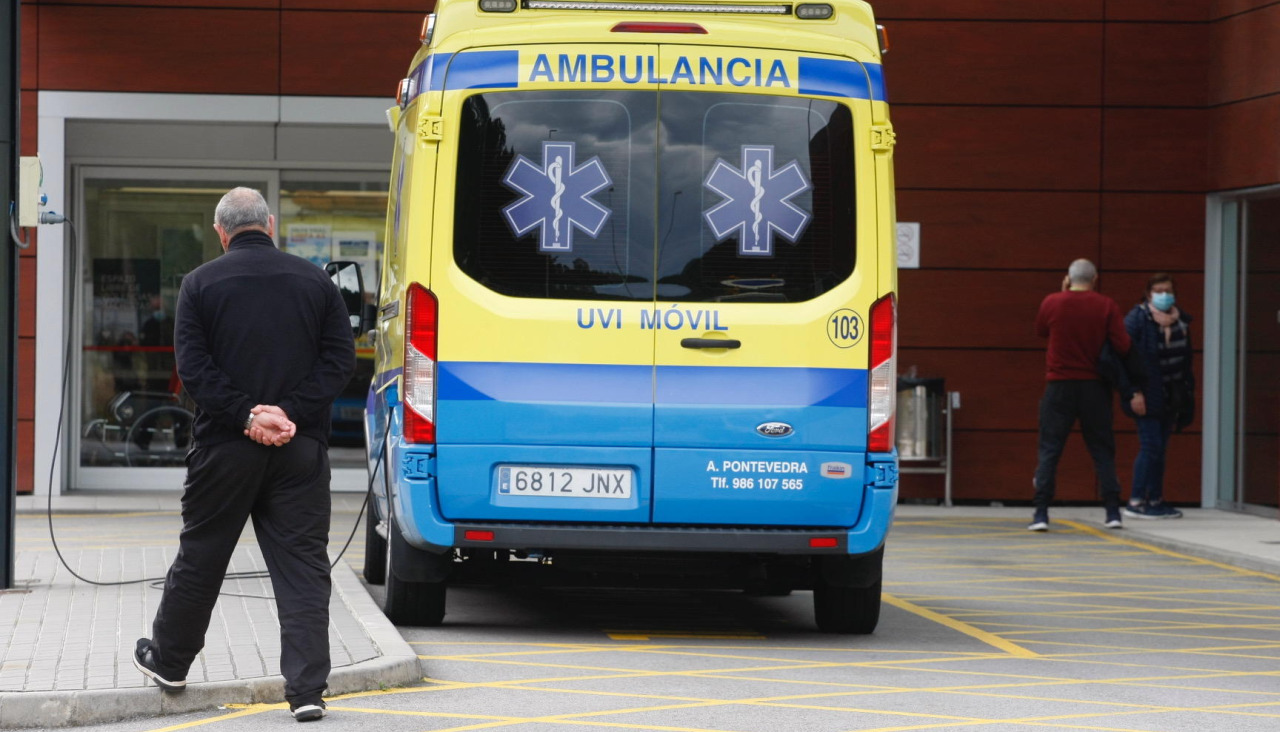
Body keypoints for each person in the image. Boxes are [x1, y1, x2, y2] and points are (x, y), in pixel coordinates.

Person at [132, 187, 356, 723]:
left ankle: (170, 663)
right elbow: (339, 362)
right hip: (299, 449)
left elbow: (194, 369)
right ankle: (307, 692)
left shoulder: (199, 284)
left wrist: (247, 417)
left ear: (220, 232)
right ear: (271, 224)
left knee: (203, 554)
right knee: (303, 566)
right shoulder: (317, 282)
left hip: (225, 451)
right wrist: (289, 414)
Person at [1030, 259, 1132, 532]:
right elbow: (1123, 344)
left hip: (1059, 385)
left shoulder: (1052, 302)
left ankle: (1041, 513)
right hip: (1094, 387)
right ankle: (1113, 512)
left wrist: (1061, 292)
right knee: (1102, 449)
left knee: (1050, 448)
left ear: (1068, 278)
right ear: (1095, 278)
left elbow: (1041, 330)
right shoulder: (1106, 305)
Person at [1117, 273, 1193, 519]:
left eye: (1168, 290)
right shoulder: (1137, 319)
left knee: (1160, 448)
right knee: (1151, 446)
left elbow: (1186, 360)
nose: (1164, 295)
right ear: (1149, 293)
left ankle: (1156, 499)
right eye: (1158, 290)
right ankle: (1137, 501)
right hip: (1146, 393)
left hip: (1171, 394)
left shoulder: (1181, 321)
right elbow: (1123, 357)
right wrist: (1133, 392)